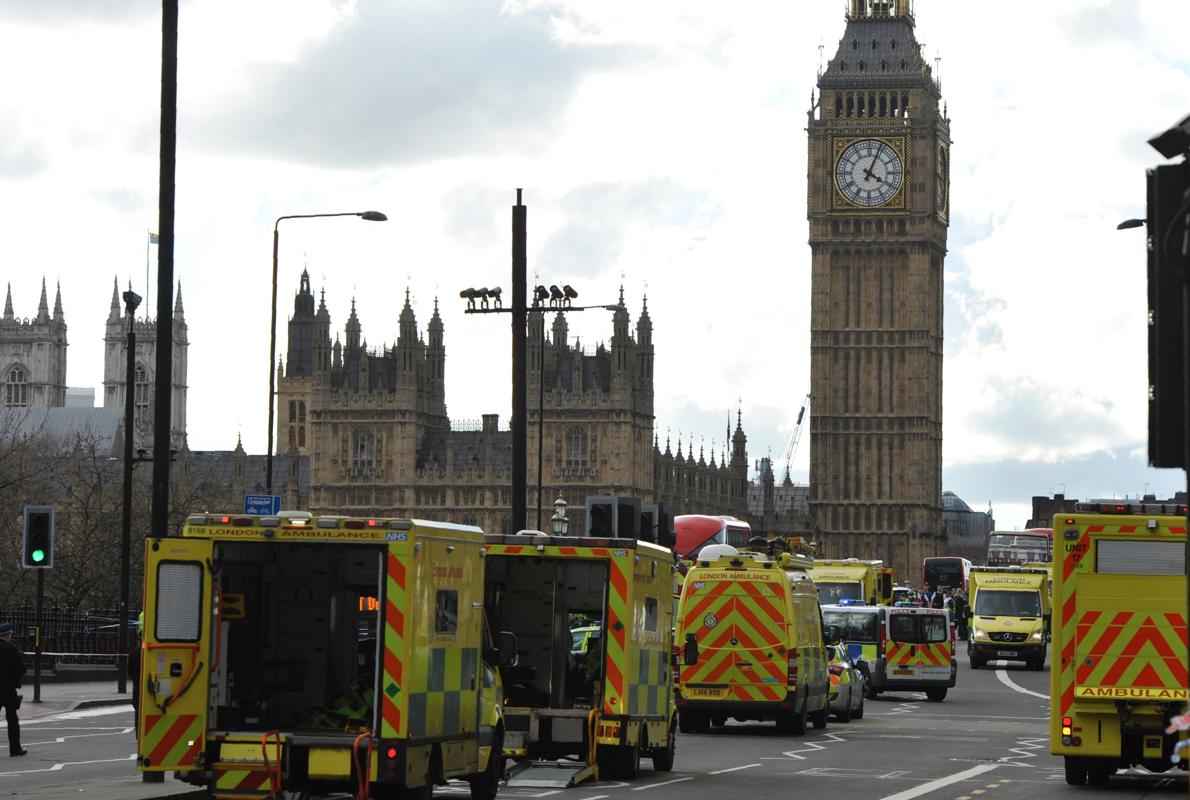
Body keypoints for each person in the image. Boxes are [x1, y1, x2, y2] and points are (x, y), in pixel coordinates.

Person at [0, 622, 28, 757]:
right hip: (8, 689)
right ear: (7, 635)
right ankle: (15, 749)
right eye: (10, 634)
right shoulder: (9, 649)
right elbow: (21, 669)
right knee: (12, 719)